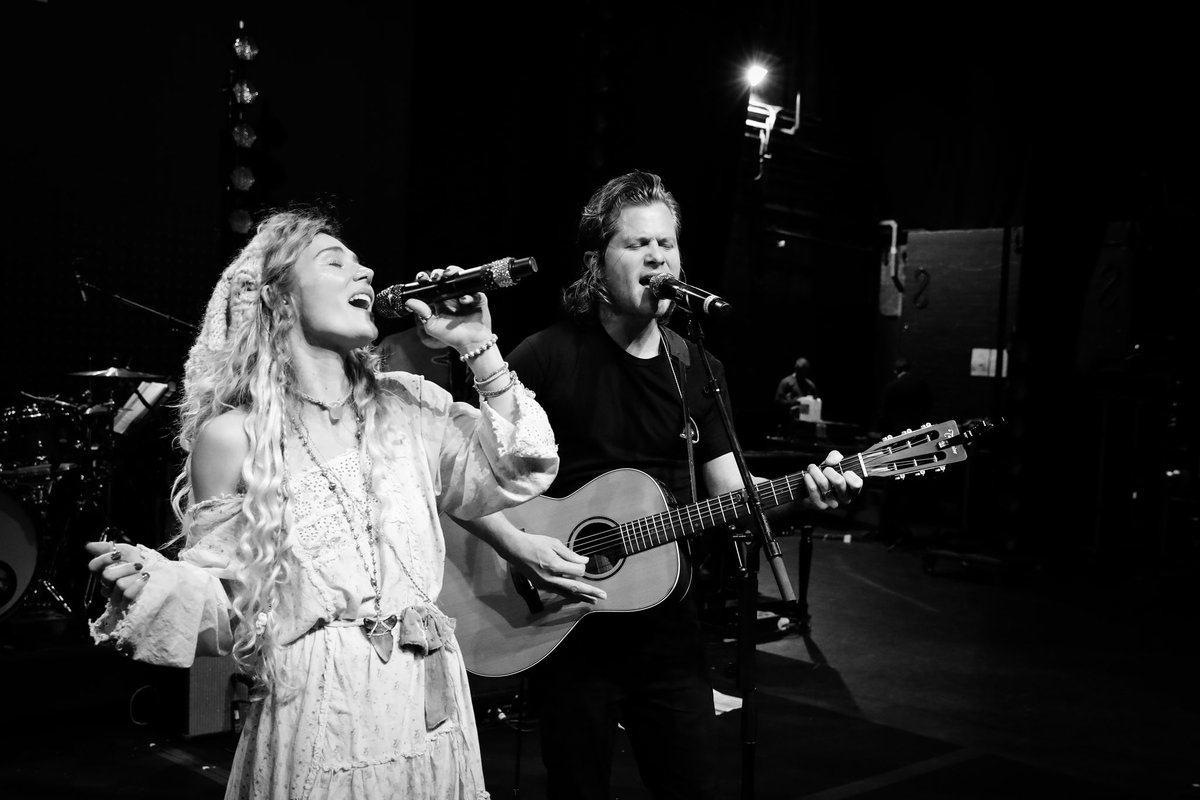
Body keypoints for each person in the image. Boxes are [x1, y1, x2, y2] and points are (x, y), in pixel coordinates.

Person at [84, 209, 560, 799]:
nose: (364, 272)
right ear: (279, 301)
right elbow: (233, 607)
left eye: (360, 262)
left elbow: (523, 470)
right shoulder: (235, 437)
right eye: (334, 261)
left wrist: (478, 347)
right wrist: (160, 586)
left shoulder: (410, 405)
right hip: (321, 704)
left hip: (426, 695)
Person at [456, 171, 862, 799]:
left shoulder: (698, 366)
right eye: (637, 245)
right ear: (597, 262)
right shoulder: (545, 358)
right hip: (565, 622)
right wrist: (519, 545)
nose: (657, 258)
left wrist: (807, 491)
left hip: (668, 627)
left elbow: (735, 496)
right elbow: (457, 482)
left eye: (667, 245)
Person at [875, 357, 934, 547]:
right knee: (908, 488)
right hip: (916, 442)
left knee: (891, 485)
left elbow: (884, 417)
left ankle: (887, 531)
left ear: (896, 370)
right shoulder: (921, 386)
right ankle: (903, 529)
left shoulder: (892, 387)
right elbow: (927, 413)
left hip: (895, 443)